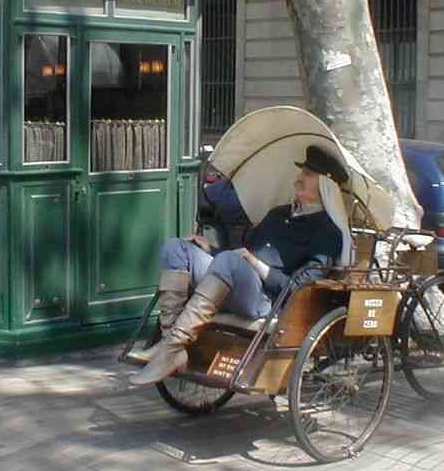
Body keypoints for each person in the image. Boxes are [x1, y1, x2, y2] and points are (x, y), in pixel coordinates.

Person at [129, 146, 351, 386]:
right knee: (176, 248)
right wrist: (211, 250)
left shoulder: (328, 232)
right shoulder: (278, 213)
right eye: (302, 172)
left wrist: (257, 265)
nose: (298, 178)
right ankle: (169, 343)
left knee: (230, 261)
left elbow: (302, 286)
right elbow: (242, 252)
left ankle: (173, 345)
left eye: (307, 174)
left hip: (266, 301)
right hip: (232, 282)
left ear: (325, 187)